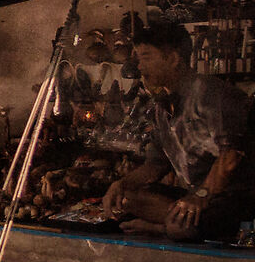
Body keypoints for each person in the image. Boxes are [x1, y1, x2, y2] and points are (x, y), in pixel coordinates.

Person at [103, 20, 255, 241]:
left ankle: (163, 228)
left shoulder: (212, 93)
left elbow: (231, 156)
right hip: (194, 197)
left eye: (146, 57)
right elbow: (156, 164)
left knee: (181, 225)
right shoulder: (161, 107)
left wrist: (200, 196)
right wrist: (121, 185)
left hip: (234, 199)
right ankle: (172, 223)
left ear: (173, 59)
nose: (140, 67)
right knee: (125, 200)